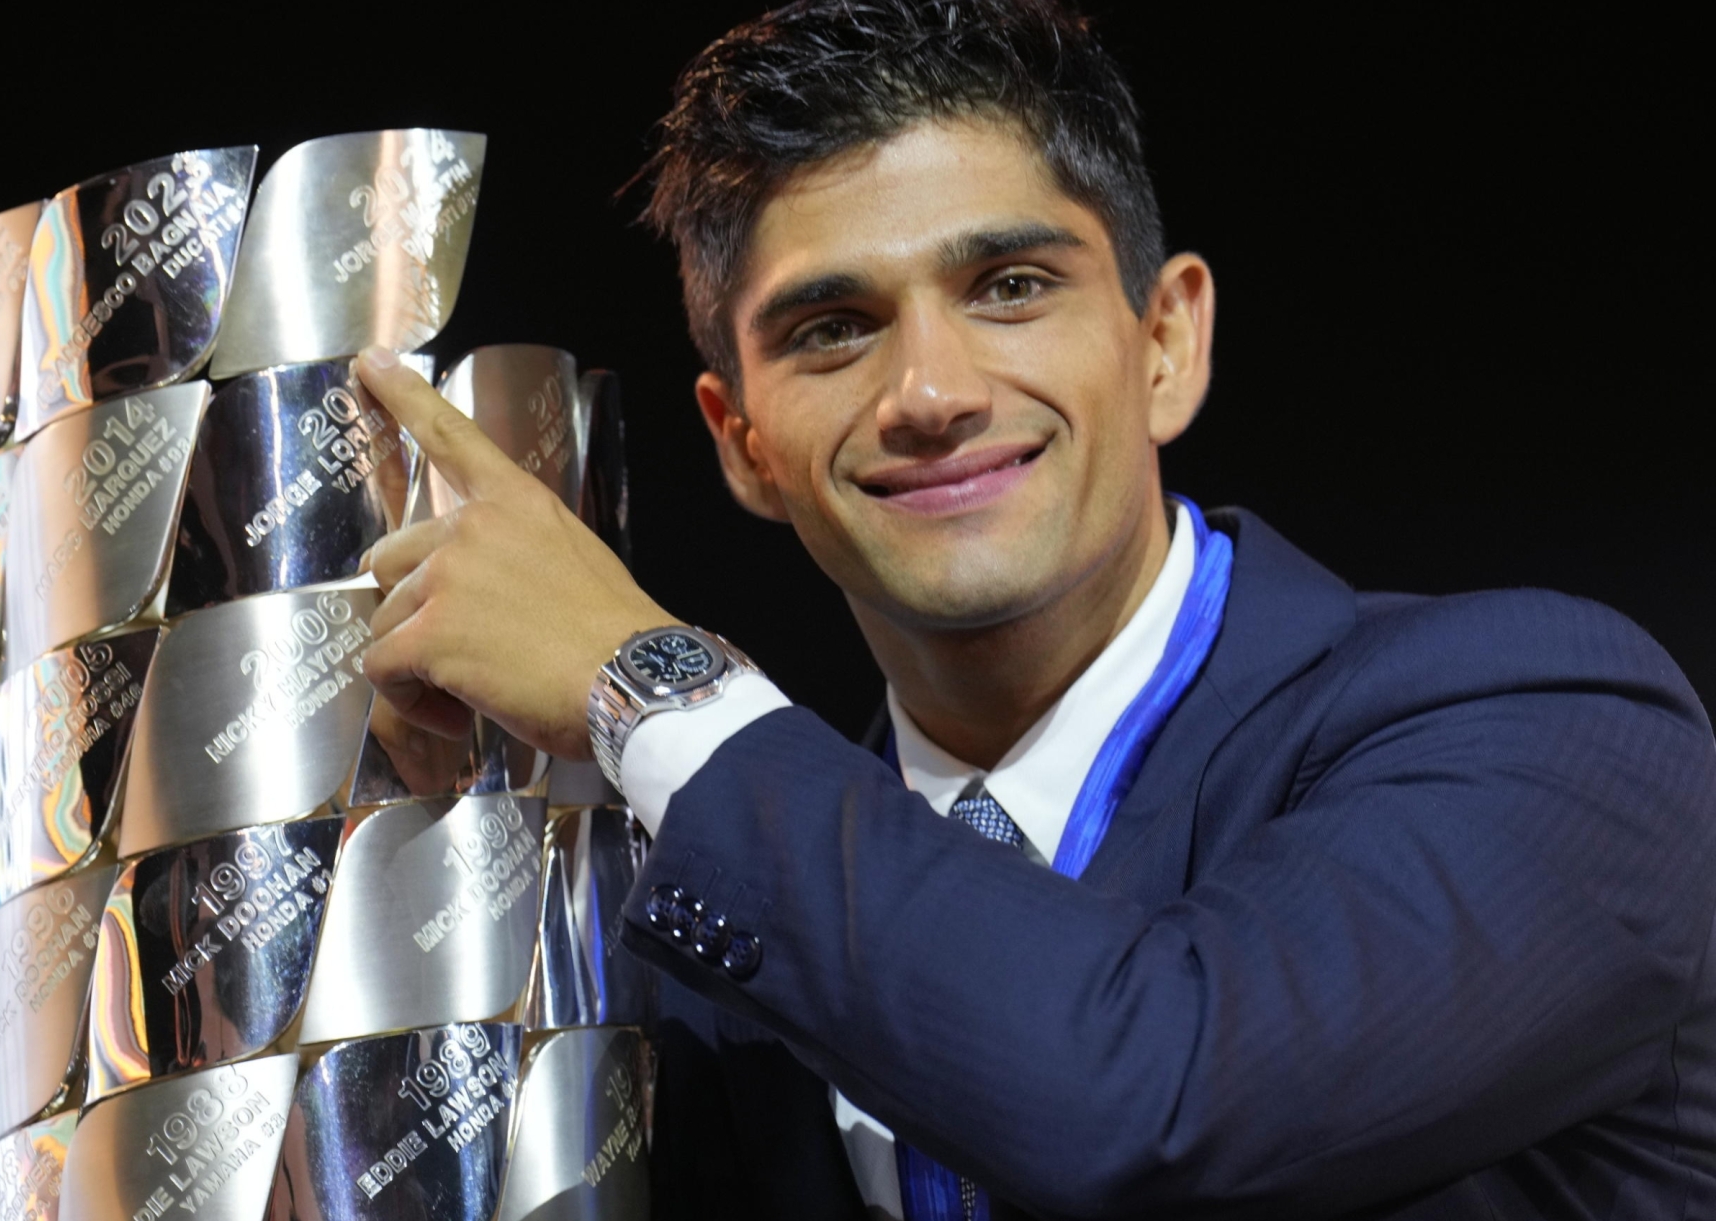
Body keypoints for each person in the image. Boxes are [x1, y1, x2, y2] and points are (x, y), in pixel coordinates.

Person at [347, 0, 1716, 1216]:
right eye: (833, 326)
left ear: (1166, 342)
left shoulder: (1556, 728)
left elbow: (1147, 1099)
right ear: (742, 442)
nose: (930, 391)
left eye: (1010, 287)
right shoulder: (716, 923)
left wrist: (647, 683)